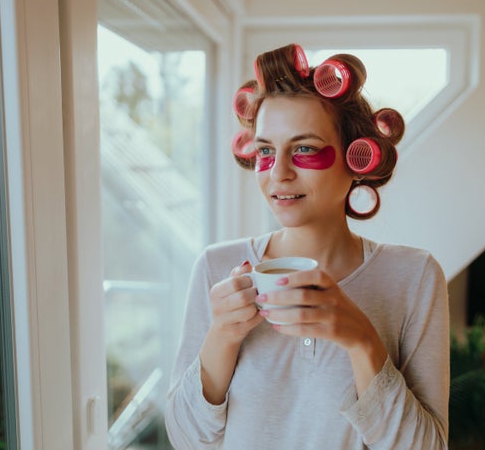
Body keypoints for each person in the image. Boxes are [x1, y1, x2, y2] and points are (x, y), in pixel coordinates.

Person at [165, 43, 449, 449]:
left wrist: (361, 340)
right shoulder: (217, 267)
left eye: (304, 149)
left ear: (357, 160)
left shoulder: (414, 277)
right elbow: (186, 440)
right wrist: (222, 336)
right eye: (266, 150)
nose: (278, 173)